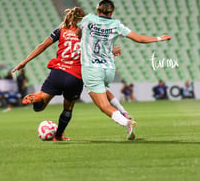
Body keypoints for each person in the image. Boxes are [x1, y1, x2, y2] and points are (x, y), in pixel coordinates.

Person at [12, 7, 130, 141]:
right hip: (75, 76)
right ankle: (58, 136)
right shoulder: (88, 35)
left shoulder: (60, 31)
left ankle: (38, 97)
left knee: (39, 107)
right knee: (68, 108)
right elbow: (99, 51)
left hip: (57, 72)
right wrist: (113, 51)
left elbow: (42, 46)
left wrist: (24, 62)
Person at [77, 0, 171, 140]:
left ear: (98, 10)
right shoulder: (116, 25)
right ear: (112, 12)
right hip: (108, 69)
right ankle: (124, 112)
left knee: (103, 106)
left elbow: (78, 34)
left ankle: (126, 122)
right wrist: (159, 38)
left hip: (91, 68)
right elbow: (138, 39)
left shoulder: (88, 19)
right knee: (103, 90)